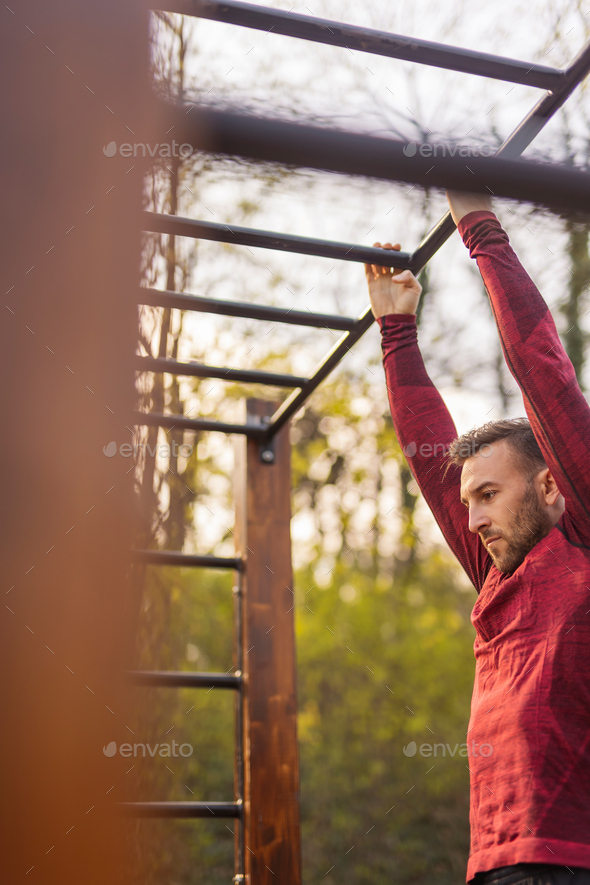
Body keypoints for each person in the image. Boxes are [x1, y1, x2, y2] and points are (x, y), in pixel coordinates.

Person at [365, 191, 590, 885]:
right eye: (470, 503)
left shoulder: (577, 538)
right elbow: (429, 458)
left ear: (550, 485)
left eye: (488, 494)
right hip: (494, 865)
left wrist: (478, 224)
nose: (473, 517)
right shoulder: (498, 572)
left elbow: (541, 368)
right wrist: (396, 331)